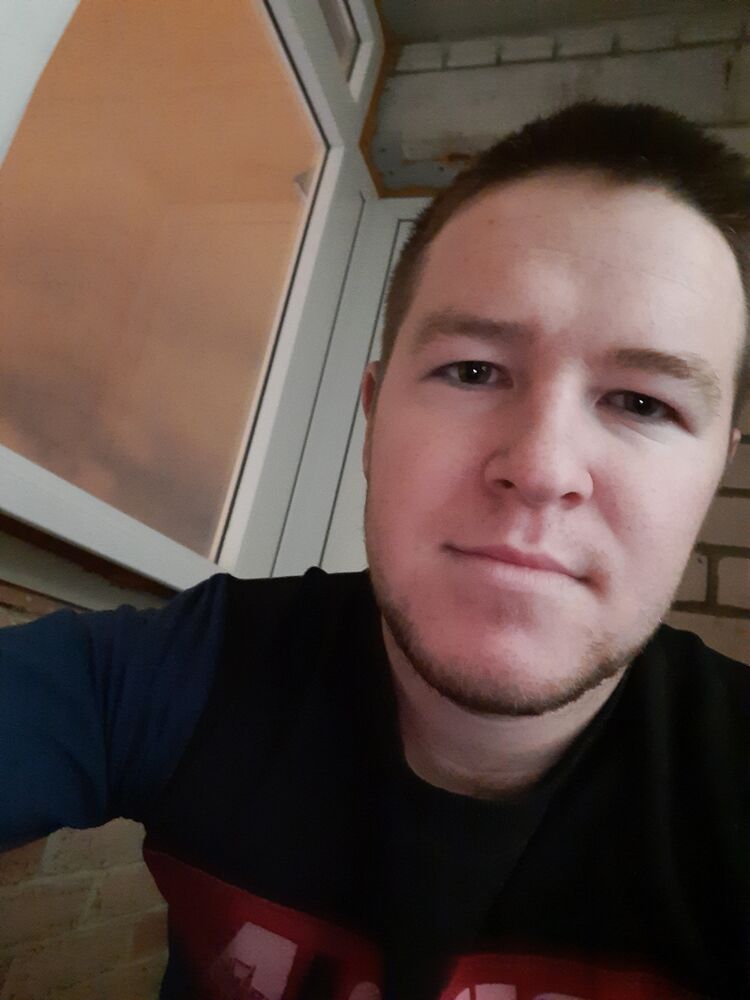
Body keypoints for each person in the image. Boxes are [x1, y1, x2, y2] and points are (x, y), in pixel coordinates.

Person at [1, 100, 748, 1000]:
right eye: (472, 371)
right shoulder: (196, 668)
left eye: (643, 403)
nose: (542, 468)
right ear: (373, 412)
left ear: (717, 469)